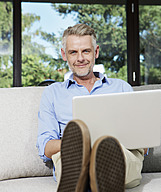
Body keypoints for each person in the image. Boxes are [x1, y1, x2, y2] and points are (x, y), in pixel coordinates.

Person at [37, 23, 146, 192]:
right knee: (73, 153)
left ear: (96, 52)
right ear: (64, 54)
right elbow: (46, 147)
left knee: (111, 152)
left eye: (86, 51)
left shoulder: (122, 88)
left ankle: (95, 172)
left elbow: (144, 143)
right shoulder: (52, 94)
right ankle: (86, 173)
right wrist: (78, 143)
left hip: (119, 153)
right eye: (73, 52)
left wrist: (104, 143)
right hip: (72, 155)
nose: (80, 58)